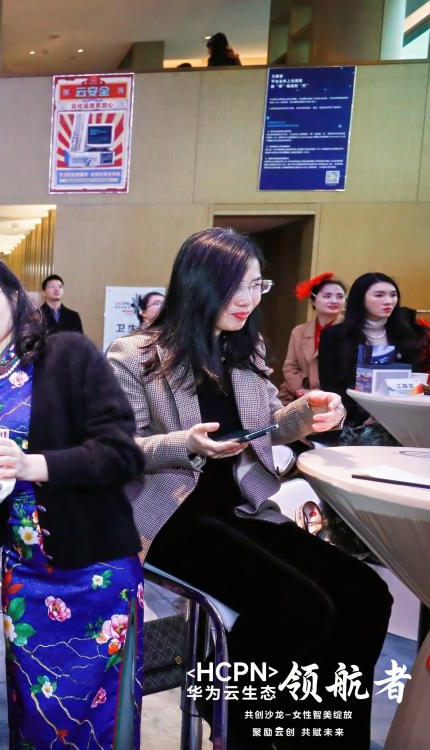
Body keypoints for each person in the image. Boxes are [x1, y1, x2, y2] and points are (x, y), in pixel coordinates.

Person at [107, 228, 391, 749]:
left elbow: (263, 426)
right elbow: (118, 448)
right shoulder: (135, 354)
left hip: (241, 507)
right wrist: (184, 443)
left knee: (367, 594)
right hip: (169, 516)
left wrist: (307, 412)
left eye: (257, 285)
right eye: (234, 286)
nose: (247, 299)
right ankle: (241, 727)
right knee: (300, 607)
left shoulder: (243, 346)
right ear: (197, 285)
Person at [0, 254, 145, 750]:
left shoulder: (69, 354)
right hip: (24, 574)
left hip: (95, 570)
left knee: (100, 718)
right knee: (35, 717)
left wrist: (31, 465)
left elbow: (122, 454)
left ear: (12, 295)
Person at [318, 272, 430, 429]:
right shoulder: (335, 335)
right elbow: (331, 386)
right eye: (379, 295)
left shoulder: (410, 333)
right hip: (352, 423)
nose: (388, 301)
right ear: (360, 299)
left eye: (393, 295)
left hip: (402, 420)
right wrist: (362, 417)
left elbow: (416, 381)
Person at [279, 272, 345, 404]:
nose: (334, 301)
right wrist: (301, 389)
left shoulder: (350, 330)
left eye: (340, 296)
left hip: (336, 398)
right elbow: (290, 367)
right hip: (299, 395)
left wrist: (318, 392)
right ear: (313, 300)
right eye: (327, 296)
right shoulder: (299, 331)